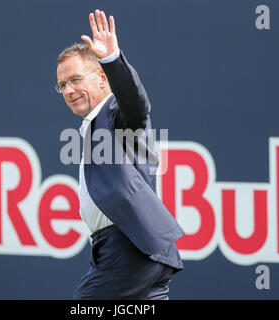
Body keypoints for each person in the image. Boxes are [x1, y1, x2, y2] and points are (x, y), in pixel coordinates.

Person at [56, 9, 185, 300]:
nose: (69, 89)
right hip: (136, 250)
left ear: (103, 79)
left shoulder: (114, 112)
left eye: (76, 79)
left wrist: (112, 58)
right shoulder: (93, 126)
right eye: (62, 84)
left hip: (130, 246)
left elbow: (136, 106)